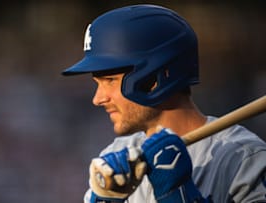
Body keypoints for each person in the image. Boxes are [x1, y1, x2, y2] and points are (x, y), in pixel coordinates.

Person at [62, 4, 266, 203]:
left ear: (154, 79)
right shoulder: (118, 156)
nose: (98, 99)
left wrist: (177, 194)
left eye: (110, 81)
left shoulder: (244, 159)